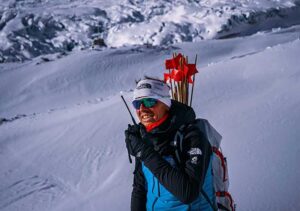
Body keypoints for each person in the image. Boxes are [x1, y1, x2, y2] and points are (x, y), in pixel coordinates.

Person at [125, 77, 215, 211]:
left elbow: (188, 193)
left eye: (149, 101)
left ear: (166, 103)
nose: (142, 109)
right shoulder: (144, 138)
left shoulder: (191, 137)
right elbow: (139, 188)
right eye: (137, 104)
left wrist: (143, 152)